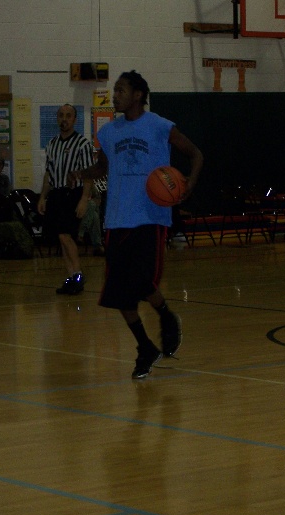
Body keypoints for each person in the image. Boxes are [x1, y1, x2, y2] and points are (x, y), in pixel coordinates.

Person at [68, 70, 203, 379]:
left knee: (142, 282)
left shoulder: (160, 126)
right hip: (117, 219)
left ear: (138, 95)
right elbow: (102, 168)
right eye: (115, 90)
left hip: (150, 217)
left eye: (121, 90)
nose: (115, 95)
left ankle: (166, 316)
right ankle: (145, 347)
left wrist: (190, 183)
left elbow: (196, 154)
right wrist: (82, 174)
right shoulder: (109, 132)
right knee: (119, 293)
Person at [38, 104, 95, 295]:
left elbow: (88, 175)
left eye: (68, 115)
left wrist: (84, 199)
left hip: (73, 194)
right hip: (57, 194)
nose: (64, 119)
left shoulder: (82, 144)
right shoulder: (52, 144)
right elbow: (49, 174)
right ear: (57, 118)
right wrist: (43, 197)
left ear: (74, 120)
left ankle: (78, 274)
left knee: (65, 235)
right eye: (61, 115)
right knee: (61, 238)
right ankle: (71, 277)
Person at [77, 178, 106, 257]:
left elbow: (97, 196)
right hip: (82, 208)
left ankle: (81, 234)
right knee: (93, 209)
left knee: (94, 213)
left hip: (94, 209)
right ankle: (97, 246)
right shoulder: (84, 181)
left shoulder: (103, 181)